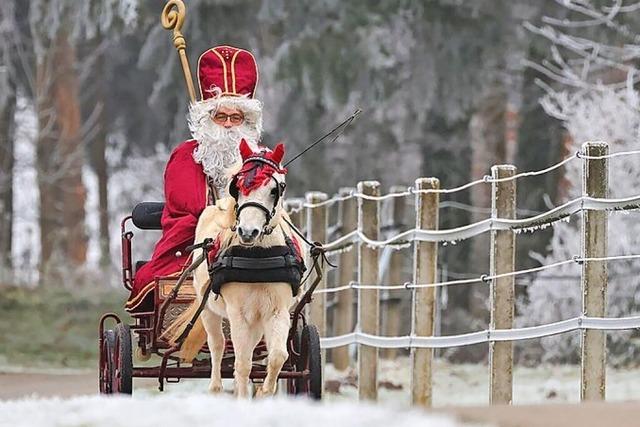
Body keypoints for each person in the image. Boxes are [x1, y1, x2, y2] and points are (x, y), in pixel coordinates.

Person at [126, 45, 262, 312]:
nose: (228, 124)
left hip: (252, 248)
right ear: (207, 118)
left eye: (236, 117)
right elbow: (186, 209)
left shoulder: (259, 159)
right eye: (220, 116)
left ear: (247, 122)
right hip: (191, 249)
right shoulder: (187, 156)